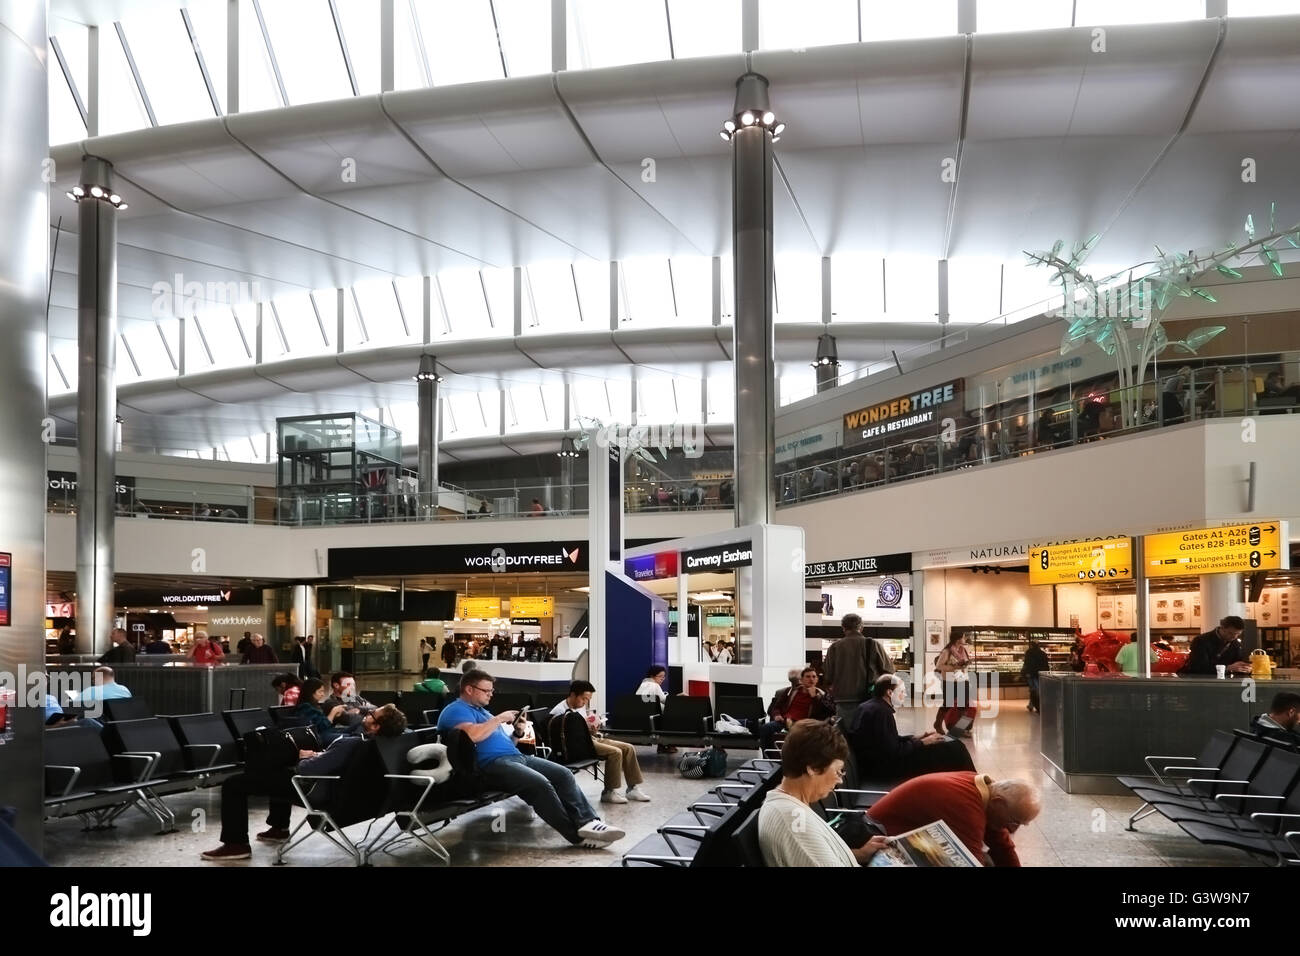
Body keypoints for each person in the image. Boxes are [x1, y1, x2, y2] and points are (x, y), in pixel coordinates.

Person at [437, 670, 624, 848]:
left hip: (514, 757)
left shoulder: (483, 712)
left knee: (563, 774)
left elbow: (501, 742)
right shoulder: (455, 710)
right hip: (490, 766)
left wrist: (517, 732)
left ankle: (588, 822)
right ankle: (577, 836)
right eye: (487, 691)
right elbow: (471, 737)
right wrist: (499, 719)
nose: (491, 695)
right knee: (540, 785)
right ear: (469, 689)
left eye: (492, 691)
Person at [200, 704, 408, 861]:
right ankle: (278, 828)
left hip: (316, 790)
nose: (366, 714)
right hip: (348, 795)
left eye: (371, 714)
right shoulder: (380, 745)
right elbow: (335, 762)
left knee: (234, 784)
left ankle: (236, 844)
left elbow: (306, 770)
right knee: (276, 772)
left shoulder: (352, 744)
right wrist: (320, 755)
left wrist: (306, 757)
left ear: (376, 725)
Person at [756, 720, 889, 867]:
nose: (840, 781)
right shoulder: (794, 821)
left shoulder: (790, 808)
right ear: (813, 768)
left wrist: (858, 854)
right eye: (838, 771)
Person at [867, 771, 1042, 867]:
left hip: (906, 833)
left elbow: (1003, 846)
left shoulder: (987, 791)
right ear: (998, 802)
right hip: (877, 838)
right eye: (1015, 821)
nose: (1012, 830)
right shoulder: (965, 808)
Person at [848, 675, 975, 782]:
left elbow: (886, 742)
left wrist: (918, 737)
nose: (905, 694)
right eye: (902, 691)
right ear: (889, 693)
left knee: (951, 745)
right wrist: (923, 742)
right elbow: (894, 752)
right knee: (954, 749)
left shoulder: (871, 707)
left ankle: (968, 782)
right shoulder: (881, 713)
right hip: (884, 770)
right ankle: (972, 783)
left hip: (876, 764)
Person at [549, 680, 651, 804]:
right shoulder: (558, 712)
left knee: (628, 747)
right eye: (584, 699)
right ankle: (608, 792)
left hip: (589, 738)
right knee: (615, 752)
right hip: (579, 744)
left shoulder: (579, 707)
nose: (585, 703)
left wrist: (592, 729)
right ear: (573, 695)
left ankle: (632, 788)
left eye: (587, 700)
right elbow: (563, 738)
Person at [824, 613, 893, 725]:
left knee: (846, 734)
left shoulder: (834, 647)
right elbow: (889, 671)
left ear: (843, 628)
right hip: (869, 699)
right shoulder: (872, 644)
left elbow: (828, 676)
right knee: (867, 734)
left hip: (843, 700)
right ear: (861, 627)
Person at [758, 667, 834, 753]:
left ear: (817, 679)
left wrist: (814, 698)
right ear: (801, 680)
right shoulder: (790, 691)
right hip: (785, 722)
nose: (811, 679)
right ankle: (769, 757)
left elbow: (823, 714)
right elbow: (776, 707)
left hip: (805, 725)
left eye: (814, 677)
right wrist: (777, 715)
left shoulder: (821, 695)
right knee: (766, 728)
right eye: (808, 677)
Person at [933, 632, 975, 737]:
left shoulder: (963, 650)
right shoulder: (947, 651)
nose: (965, 638)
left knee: (963, 706)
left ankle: (960, 730)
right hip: (950, 681)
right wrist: (954, 667)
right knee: (948, 704)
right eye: (963, 637)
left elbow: (964, 664)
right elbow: (939, 666)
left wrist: (965, 664)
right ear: (958, 639)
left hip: (962, 680)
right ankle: (937, 724)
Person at [1180, 615, 1251, 677]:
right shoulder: (1201, 641)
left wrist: (1244, 668)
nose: (1234, 637)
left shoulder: (1235, 643)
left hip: (1223, 680)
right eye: (1230, 633)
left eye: (1238, 634)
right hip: (1199, 681)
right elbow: (1198, 666)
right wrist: (1228, 668)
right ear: (1222, 628)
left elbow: (1237, 662)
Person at [294, 678, 345, 744]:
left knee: (359, 727)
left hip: (330, 732)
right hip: (321, 736)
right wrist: (332, 713)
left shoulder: (315, 706)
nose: (323, 694)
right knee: (353, 738)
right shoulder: (305, 708)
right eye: (320, 691)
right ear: (311, 693)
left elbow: (326, 724)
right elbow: (319, 728)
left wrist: (334, 716)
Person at [1022, 639, 1051, 711]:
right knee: (1036, 690)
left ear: (1031, 645)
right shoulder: (1042, 653)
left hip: (1031, 674)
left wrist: (1026, 673)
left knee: (1034, 690)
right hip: (1040, 674)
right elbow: (1046, 665)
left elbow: (1027, 663)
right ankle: (1032, 705)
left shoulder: (1028, 652)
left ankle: (1037, 705)